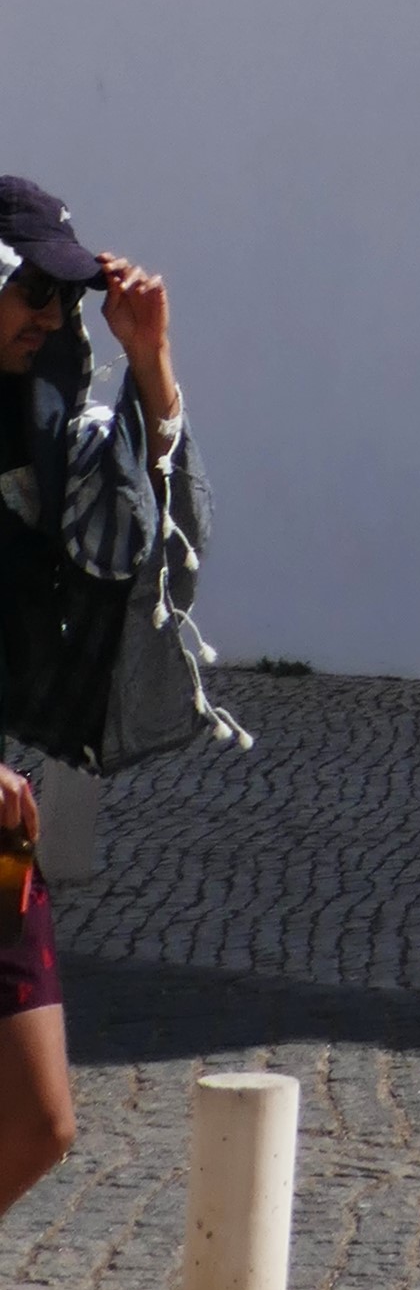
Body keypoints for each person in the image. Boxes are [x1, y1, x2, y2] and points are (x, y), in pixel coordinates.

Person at [0, 178, 189, 1223]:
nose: (50, 314)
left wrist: (148, 358)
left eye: (64, 295)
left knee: (40, 1121)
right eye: (32, 287)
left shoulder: (42, 411)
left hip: (0, 824)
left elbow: (130, 527)